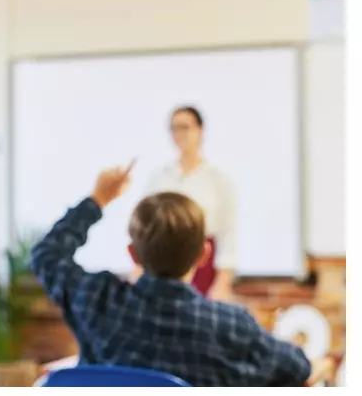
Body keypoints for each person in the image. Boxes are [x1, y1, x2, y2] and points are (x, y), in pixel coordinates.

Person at [30, 165, 317, 386]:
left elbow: (46, 255)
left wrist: (99, 198)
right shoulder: (230, 326)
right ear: (204, 254)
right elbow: (296, 369)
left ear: (133, 253)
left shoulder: (96, 298)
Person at [143, 106, 236, 301]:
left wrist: (222, 281)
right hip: (165, 262)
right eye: (174, 128)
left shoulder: (218, 179)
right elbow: (145, 225)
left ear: (200, 131)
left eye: (185, 127)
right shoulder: (160, 178)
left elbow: (229, 233)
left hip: (204, 263)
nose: (179, 134)